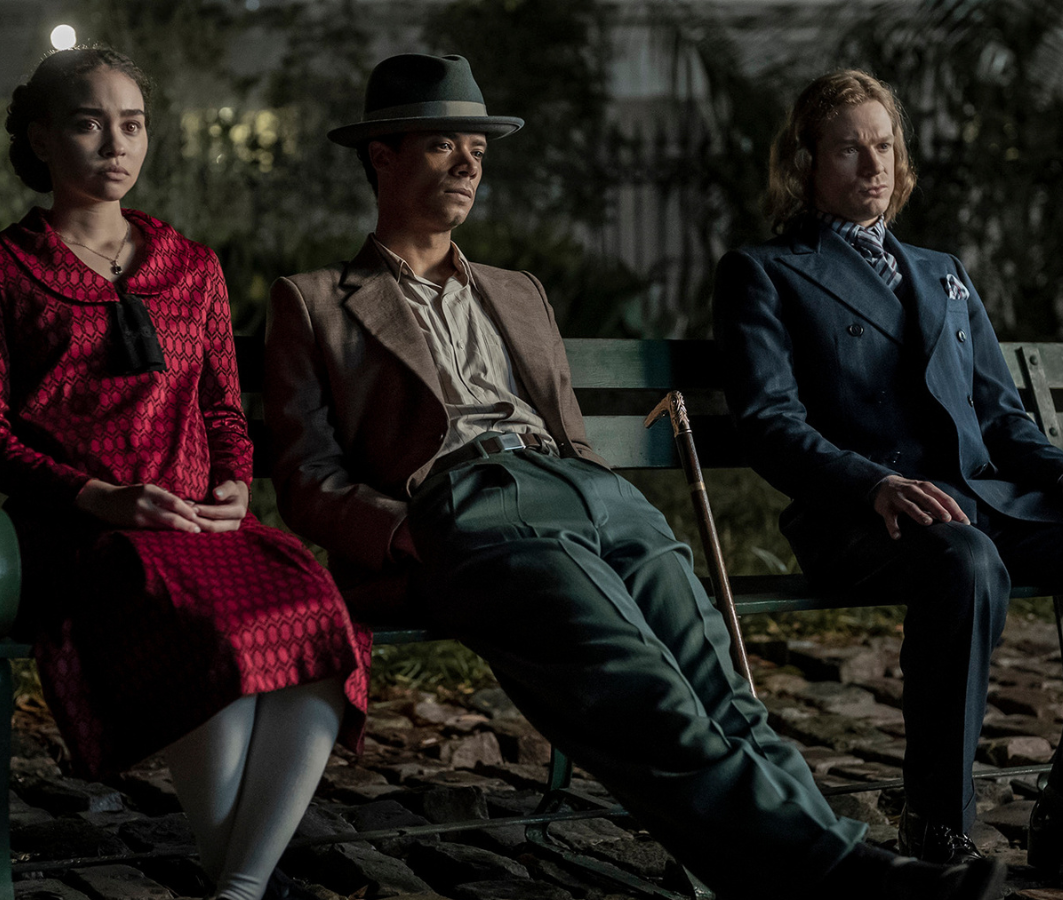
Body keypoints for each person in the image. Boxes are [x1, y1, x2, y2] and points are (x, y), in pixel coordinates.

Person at [261, 52, 1004, 900]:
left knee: (718, 681)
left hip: (593, 493)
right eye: (441, 145)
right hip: (468, 505)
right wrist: (405, 533)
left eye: (478, 147)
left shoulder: (516, 289)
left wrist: (593, 485)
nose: (469, 164)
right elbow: (308, 474)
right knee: (642, 684)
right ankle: (845, 875)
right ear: (382, 156)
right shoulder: (318, 299)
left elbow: (567, 427)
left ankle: (831, 864)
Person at [712, 69, 1063, 891]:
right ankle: (937, 826)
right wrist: (872, 483)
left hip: (985, 503)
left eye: (884, 145)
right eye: (848, 148)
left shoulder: (941, 269)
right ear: (805, 163)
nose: (873, 164)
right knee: (967, 559)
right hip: (864, 519)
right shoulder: (763, 271)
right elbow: (771, 422)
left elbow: (1000, 412)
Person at [0, 47, 371, 900]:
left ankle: (236, 887)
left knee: (318, 619)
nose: (116, 143)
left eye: (132, 124)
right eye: (88, 122)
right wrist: (97, 496)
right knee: (212, 636)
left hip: (198, 523)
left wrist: (235, 482)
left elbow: (223, 407)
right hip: (87, 531)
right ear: (40, 139)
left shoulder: (192, 267)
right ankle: (246, 885)